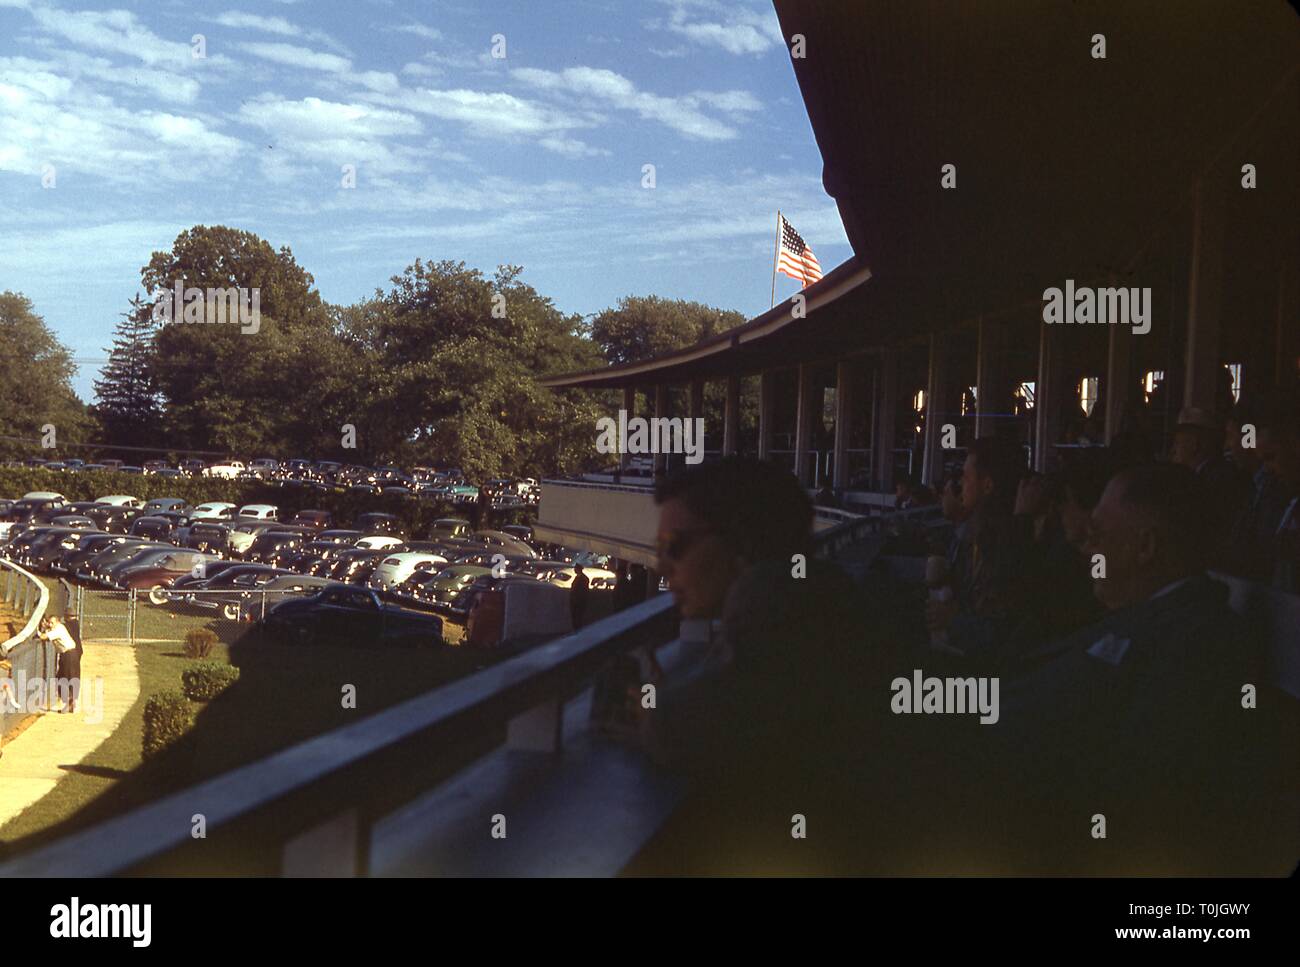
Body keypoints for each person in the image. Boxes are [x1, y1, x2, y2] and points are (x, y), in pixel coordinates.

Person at [963, 464, 1288, 872]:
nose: (1086, 543)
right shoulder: (1147, 614)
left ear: (1145, 548)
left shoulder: (1201, 641)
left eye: (1097, 532)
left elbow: (1134, 784)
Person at [927, 435, 1033, 667]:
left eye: (966, 478)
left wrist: (953, 620)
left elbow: (1003, 634)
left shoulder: (1005, 544)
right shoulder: (983, 534)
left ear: (987, 485)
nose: (960, 486)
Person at [38, 614, 81, 714]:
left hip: (69, 654)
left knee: (67, 679)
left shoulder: (58, 629)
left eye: (52, 623)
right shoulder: (54, 629)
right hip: (65, 655)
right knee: (61, 678)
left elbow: (43, 637)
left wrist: (39, 631)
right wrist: (46, 627)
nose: (50, 624)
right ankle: (70, 704)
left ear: (57, 622)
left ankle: (69, 704)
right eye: (49, 622)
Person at [568, 564, 590, 629]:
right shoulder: (578, 577)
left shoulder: (583, 578)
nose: (574, 570)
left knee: (578, 617)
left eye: (575, 568)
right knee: (575, 617)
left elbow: (582, 591)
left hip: (579, 601)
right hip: (575, 601)